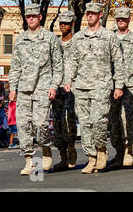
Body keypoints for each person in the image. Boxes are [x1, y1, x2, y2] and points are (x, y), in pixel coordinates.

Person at [64, 2, 126, 174]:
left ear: (100, 15)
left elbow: (118, 62)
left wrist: (119, 85)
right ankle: (91, 158)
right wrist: (68, 80)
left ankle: (100, 149)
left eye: (93, 13)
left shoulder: (109, 36)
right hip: (81, 86)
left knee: (98, 121)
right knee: (84, 124)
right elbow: (72, 61)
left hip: (102, 86)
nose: (89, 15)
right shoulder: (78, 37)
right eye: (87, 13)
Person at [8, 3, 63, 175]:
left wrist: (54, 86)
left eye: (34, 16)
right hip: (24, 88)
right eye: (28, 16)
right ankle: (29, 161)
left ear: (40, 17)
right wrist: (12, 88)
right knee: (23, 125)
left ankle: (46, 148)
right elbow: (15, 66)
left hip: (43, 87)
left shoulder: (50, 38)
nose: (31, 19)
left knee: (41, 124)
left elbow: (58, 65)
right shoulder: (21, 39)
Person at [109, 6, 133, 168]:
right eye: (118, 19)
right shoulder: (110, 39)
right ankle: (119, 151)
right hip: (112, 85)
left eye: (124, 18)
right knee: (113, 120)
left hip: (131, 84)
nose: (121, 21)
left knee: (126, 118)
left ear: (129, 20)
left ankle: (129, 149)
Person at [51, 10, 78, 171]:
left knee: (69, 121)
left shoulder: (77, 42)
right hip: (56, 88)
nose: (63, 26)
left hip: (72, 89)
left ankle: (71, 149)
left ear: (72, 24)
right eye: (61, 23)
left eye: (66, 23)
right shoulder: (55, 43)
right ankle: (62, 156)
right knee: (58, 122)